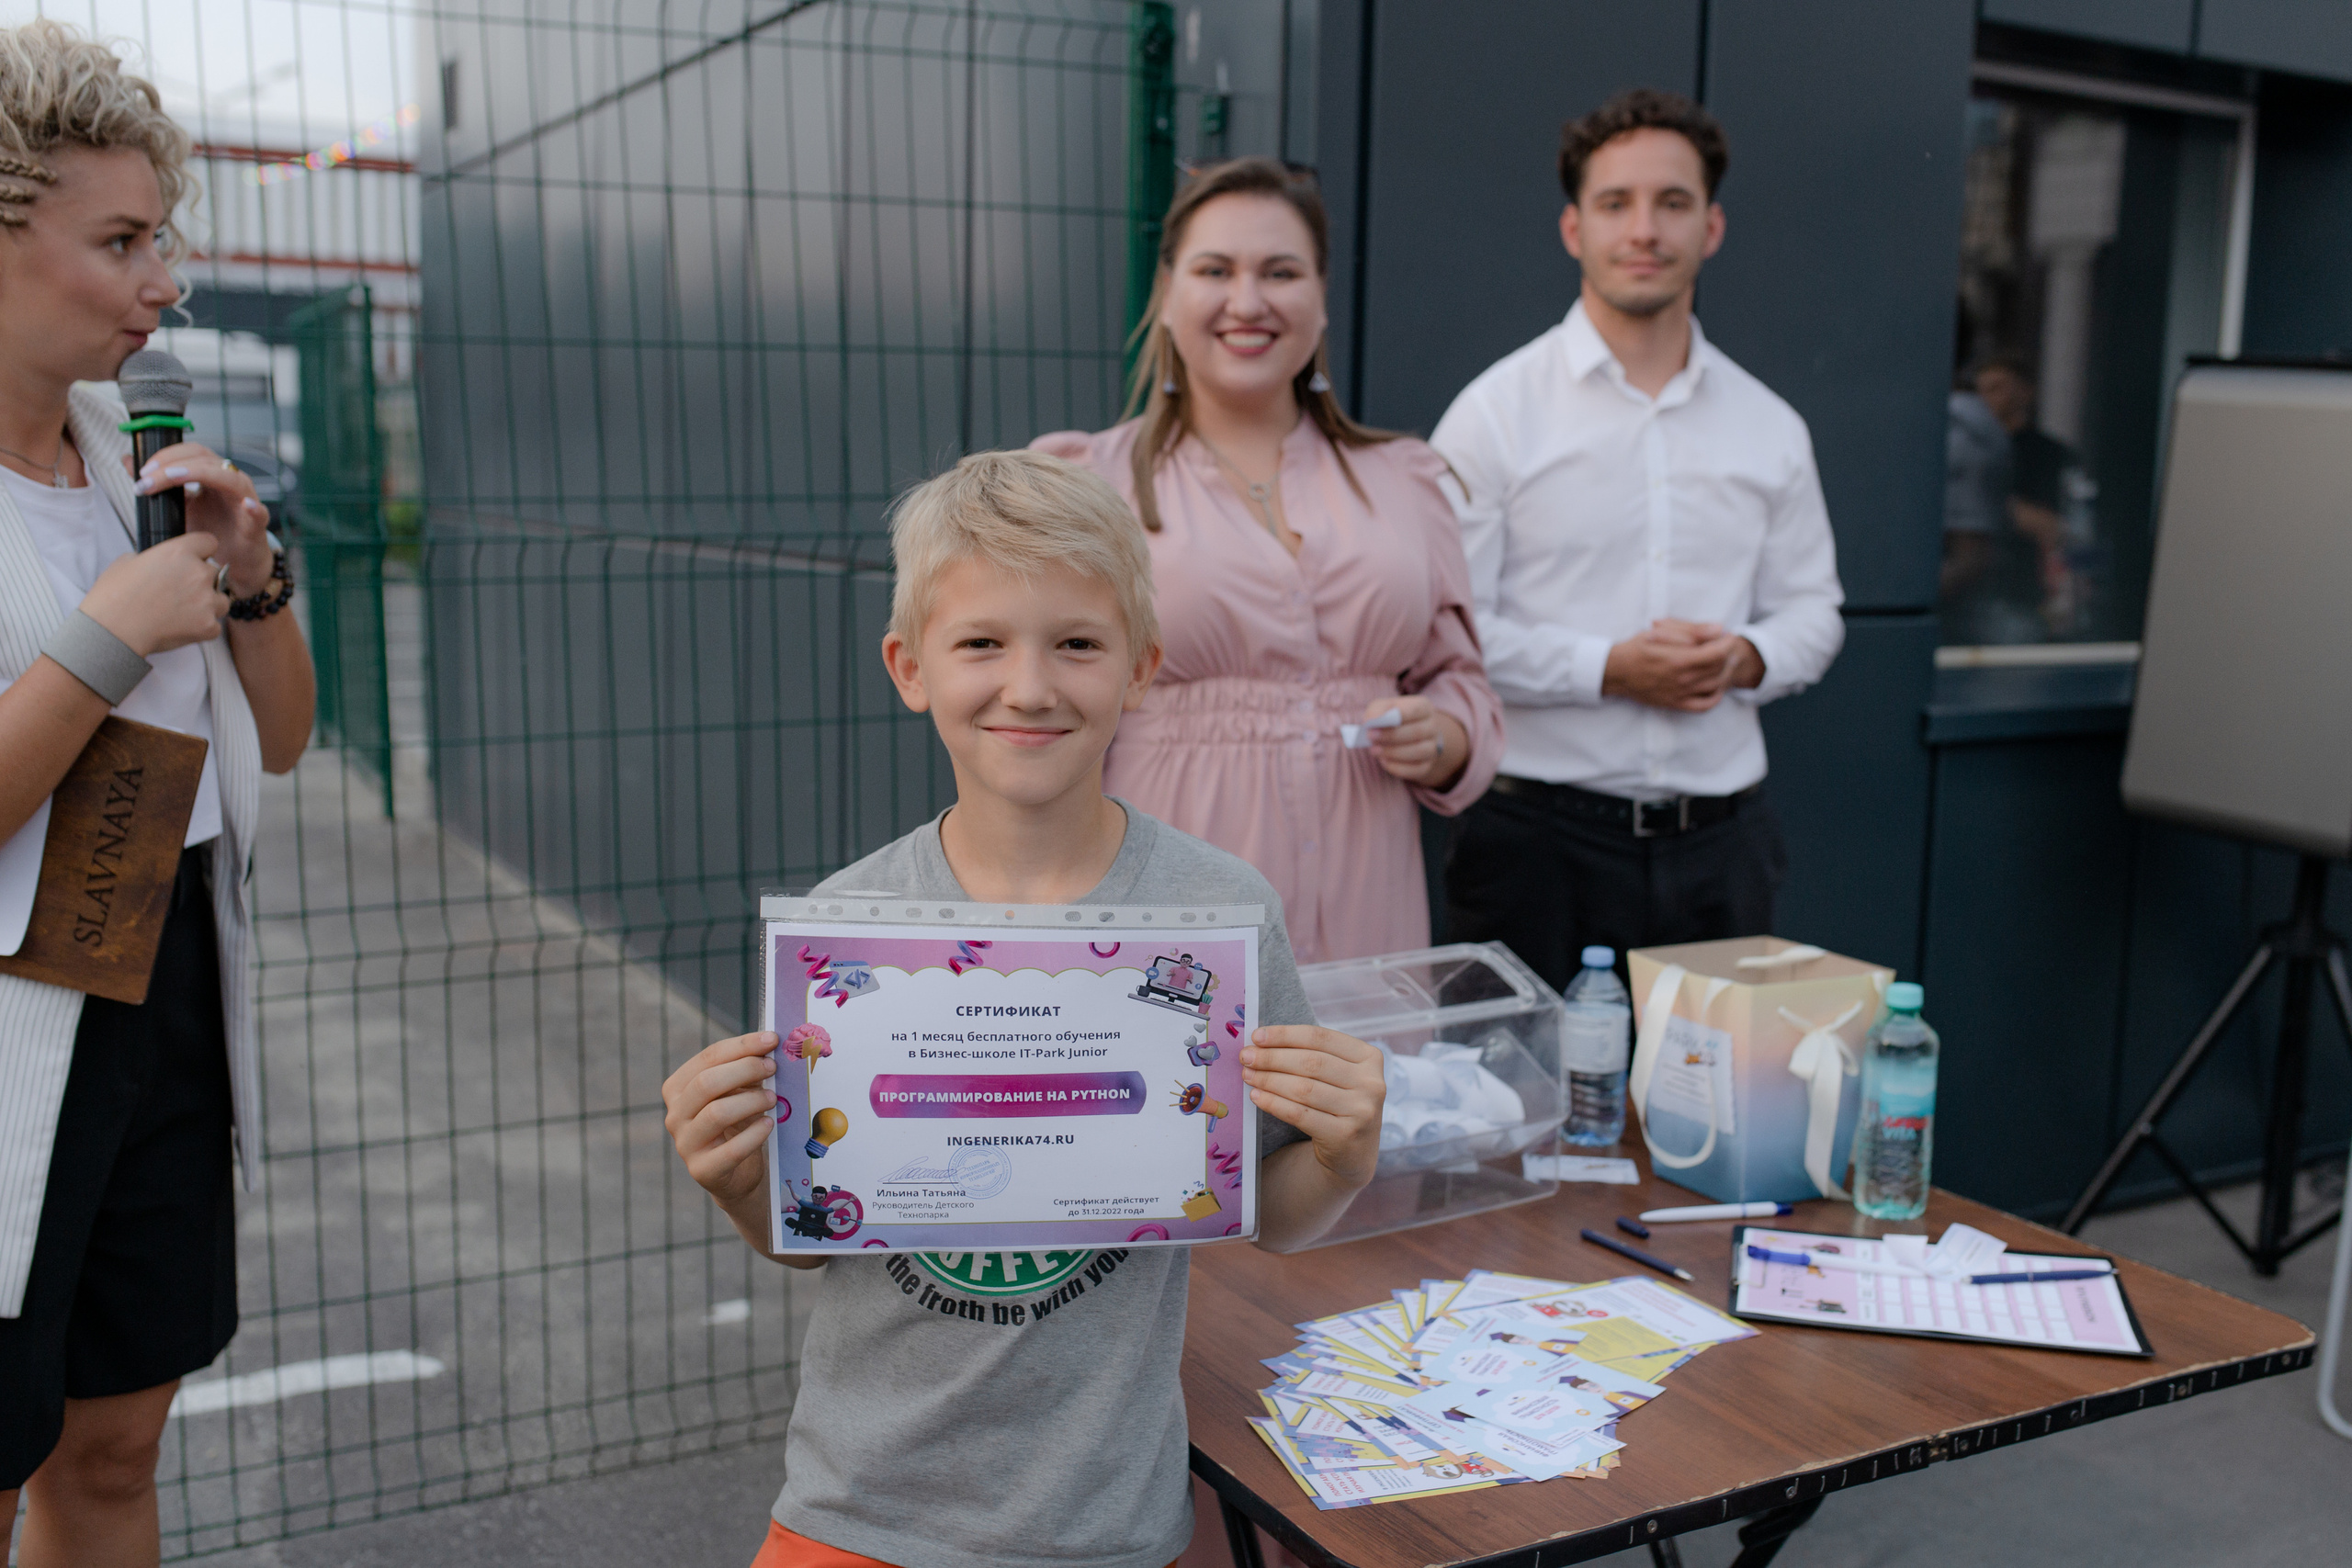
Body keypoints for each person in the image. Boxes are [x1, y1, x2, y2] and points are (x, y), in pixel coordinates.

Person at [661, 450, 1383, 1568]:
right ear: (911, 667)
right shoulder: (851, 927)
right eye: (982, 643)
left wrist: (1343, 1154)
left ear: (1141, 667)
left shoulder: (1219, 916)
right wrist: (738, 1182)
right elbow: (811, 1244)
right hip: (860, 1510)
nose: (1031, 687)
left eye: (1077, 644)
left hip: (1103, 1526)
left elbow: (1272, 1213)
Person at [0, 21, 316, 1564]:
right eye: (120, 239)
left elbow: (287, 739)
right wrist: (105, 637)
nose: (165, 280)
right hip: (7, 1013)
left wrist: (251, 588)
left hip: (160, 965)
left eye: (161, 235)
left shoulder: (137, 453)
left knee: (114, 1449)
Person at [1033, 157, 1501, 965]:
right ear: (1169, 294)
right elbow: (1037, 702)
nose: (1247, 301)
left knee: (1348, 1085)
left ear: (1320, 300)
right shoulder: (1084, 485)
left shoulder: (1406, 481)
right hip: (1164, 897)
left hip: (1369, 905)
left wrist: (1450, 734)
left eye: (1280, 272)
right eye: (1216, 270)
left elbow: (1461, 678)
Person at [1431, 88, 1844, 991]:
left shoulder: (1769, 425)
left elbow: (1814, 611)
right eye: (1616, 203)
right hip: (1534, 845)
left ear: (1713, 227)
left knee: (1712, 1125)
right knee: (1522, 1122)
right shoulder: (1493, 414)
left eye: (1672, 203)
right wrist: (1611, 668)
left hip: (1722, 848)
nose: (1644, 229)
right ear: (1574, 228)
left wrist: (1743, 657)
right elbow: (1448, 630)